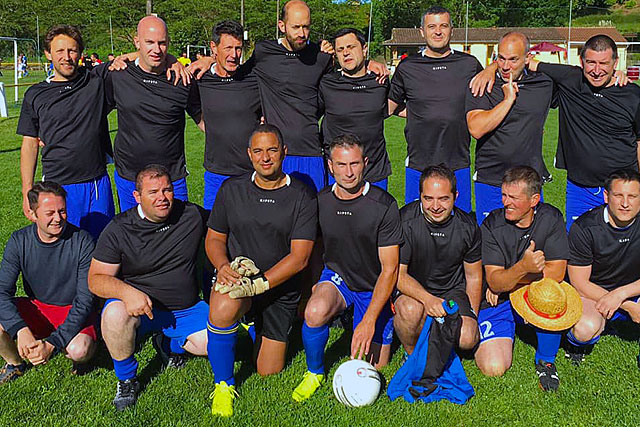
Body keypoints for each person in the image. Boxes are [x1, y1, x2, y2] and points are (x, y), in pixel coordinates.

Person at [190, 0, 388, 191]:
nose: (302, 33)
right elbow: (236, 70)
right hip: (277, 153)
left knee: (312, 215)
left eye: (306, 27)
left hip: (311, 152)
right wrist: (209, 59)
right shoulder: (263, 52)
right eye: (296, 27)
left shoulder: (321, 55)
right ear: (282, 26)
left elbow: (343, 75)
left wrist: (368, 63)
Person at [206, 124, 317, 417]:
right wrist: (222, 266)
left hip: (278, 289)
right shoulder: (232, 189)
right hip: (241, 279)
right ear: (249, 154)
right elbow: (215, 238)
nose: (265, 157)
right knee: (222, 303)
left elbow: (300, 257)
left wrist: (260, 285)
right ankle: (223, 385)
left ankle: (254, 325)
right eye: (258, 150)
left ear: (284, 152)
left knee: (268, 371)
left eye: (271, 150)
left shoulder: (302, 195)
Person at [88, 164, 209, 411]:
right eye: (153, 192)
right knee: (113, 313)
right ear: (137, 196)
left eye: (167, 190)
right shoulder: (119, 228)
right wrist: (126, 292)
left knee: (218, 341)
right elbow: (96, 279)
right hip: (140, 310)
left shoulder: (191, 215)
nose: (162, 198)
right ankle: (126, 379)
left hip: (184, 309)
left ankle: (168, 344)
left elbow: (224, 228)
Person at [292, 134, 402, 402]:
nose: (348, 172)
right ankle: (315, 372)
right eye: (341, 165)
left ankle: (362, 320)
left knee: (375, 365)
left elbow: (390, 270)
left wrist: (369, 320)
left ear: (365, 163)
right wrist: (317, 281)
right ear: (330, 166)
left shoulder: (384, 205)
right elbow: (315, 246)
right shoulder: (320, 201)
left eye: (354, 164)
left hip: (373, 285)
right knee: (315, 311)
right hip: (339, 278)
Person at [526, 35, 640, 230]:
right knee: (578, 249)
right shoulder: (569, 78)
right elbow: (522, 60)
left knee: (623, 251)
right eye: (591, 63)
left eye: (604, 63)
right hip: (580, 189)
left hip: (622, 189)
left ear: (615, 62)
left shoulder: (632, 95)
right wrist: (490, 70)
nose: (596, 70)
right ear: (581, 61)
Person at [475, 166, 570, 391]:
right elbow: (494, 282)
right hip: (498, 301)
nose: (506, 202)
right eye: (504, 195)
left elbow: (557, 272)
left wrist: (513, 278)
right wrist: (524, 268)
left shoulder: (551, 217)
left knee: (551, 294)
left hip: (529, 295)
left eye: (514, 198)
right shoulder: (492, 225)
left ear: (534, 200)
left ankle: (545, 361)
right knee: (493, 367)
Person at [18, 25, 115, 239]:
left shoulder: (95, 81)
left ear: (80, 53)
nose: (66, 57)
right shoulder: (35, 94)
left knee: (103, 249)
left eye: (72, 50)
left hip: (96, 183)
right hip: (58, 186)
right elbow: (30, 143)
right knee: (64, 248)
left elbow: (137, 57)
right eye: (60, 51)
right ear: (48, 54)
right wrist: (27, 190)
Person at [0, 182, 97, 383]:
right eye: (50, 213)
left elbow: (85, 300)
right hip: (38, 307)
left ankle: (73, 352)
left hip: (71, 309)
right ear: (33, 214)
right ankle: (15, 362)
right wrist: (20, 330)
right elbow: (2, 291)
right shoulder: (19, 240)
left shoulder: (83, 241)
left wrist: (52, 343)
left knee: (80, 350)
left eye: (62, 211)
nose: (58, 218)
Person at [388, 5, 483, 209]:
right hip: (419, 162)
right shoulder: (407, 67)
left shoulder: (470, 64)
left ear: (451, 30)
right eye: (432, 26)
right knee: (414, 223)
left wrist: (492, 67)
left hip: (458, 161)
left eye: (443, 26)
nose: (438, 31)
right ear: (422, 31)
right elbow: (389, 106)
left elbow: (490, 93)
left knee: (460, 223)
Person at [105, 16, 202, 212]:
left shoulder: (182, 79)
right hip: (129, 178)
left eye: (162, 43)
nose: (156, 50)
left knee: (177, 239)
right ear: (137, 42)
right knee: (133, 238)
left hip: (171, 179)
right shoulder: (118, 75)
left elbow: (202, 120)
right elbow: (92, 112)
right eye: (149, 42)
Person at [466, 32, 555, 224]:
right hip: (491, 179)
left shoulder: (543, 83)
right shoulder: (484, 83)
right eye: (501, 58)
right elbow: (476, 128)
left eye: (514, 59)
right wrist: (507, 100)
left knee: (530, 240)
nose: (506, 66)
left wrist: (615, 72)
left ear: (528, 58)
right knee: (491, 241)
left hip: (529, 181)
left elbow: (575, 77)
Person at [394, 165, 482, 356]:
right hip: (414, 291)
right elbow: (397, 275)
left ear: (455, 196)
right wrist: (428, 300)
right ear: (420, 196)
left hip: (451, 291)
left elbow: (473, 277)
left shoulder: (468, 227)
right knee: (409, 311)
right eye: (428, 198)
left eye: (443, 199)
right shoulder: (404, 221)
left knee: (468, 338)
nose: (435, 206)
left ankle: (436, 338)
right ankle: (413, 355)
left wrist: (472, 315)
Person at [565, 169, 640, 364]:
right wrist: (626, 305)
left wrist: (622, 293)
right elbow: (580, 284)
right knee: (584, 329)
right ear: (606, 196)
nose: (625, 203)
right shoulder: (584, 228)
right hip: (593, 293)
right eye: (618, 196)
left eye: (632, 196)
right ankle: (575, 345)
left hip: (632, 290)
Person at [198, 20, 261, 210]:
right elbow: (192, 107)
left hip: (250, 172)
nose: (234, 55)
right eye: (228, 48)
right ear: (213, 48)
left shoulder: (253, 79)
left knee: (249, 232)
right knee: (213, 230)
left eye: (238, 48)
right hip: (216, 174)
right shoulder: (200, 79)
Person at [319, 28, 392, 190]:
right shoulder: (326, 83)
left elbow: (396, 108)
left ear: (364, 49)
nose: (346, 53)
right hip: (336, 174)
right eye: (340, 49)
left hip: (374, 171)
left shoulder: (381, 81)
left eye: (351, 47)